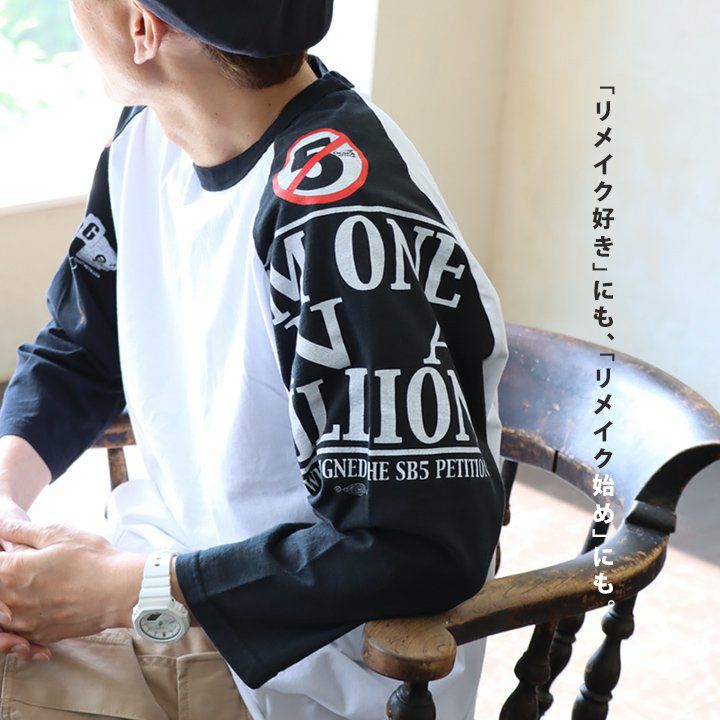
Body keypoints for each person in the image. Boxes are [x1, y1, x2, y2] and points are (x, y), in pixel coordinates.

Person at [0, 1, 509, 718]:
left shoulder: (339, 218)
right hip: (173, 579)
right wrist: (6, 507)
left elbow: (417, 546)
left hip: (306, 668)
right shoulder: (148, 137)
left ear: (142, 28)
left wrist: (117, 590)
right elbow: (83, 345)